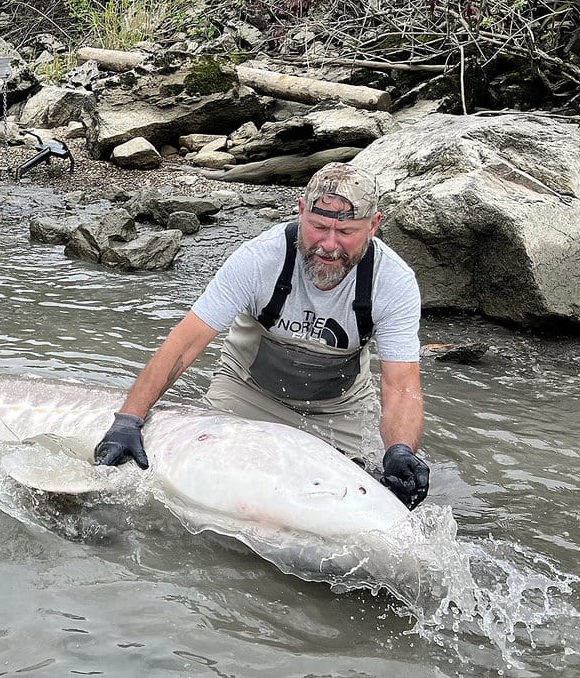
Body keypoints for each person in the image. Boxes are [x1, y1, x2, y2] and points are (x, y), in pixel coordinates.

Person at [93, 162, 431, 509]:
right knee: (199, 487)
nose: (329, 245)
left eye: (346, 232)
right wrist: (129, 418)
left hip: (337, 411)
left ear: (373, 225)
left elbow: (401, 386)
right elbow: (185, 344)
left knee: (370, 497)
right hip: (245, 393)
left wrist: (400, 450)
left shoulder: (394, 282)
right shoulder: (259, 258)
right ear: (300, 212)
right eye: (318, 227)